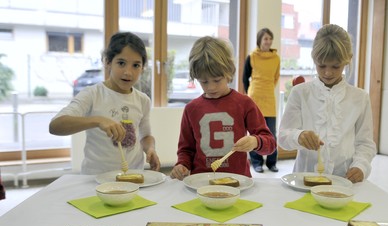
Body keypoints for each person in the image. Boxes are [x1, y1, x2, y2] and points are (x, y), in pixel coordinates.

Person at [49, 32, 160, 175]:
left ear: (143, 68)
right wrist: (97, 120)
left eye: (136, 65)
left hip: (133, 177)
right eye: (121, 63)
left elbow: (145, 136)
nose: (128, 72)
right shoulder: (92, 94)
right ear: (107, 62)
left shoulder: (143, 100)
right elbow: (55, 126)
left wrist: (150, 149)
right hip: (95, 179)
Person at [278, 24, 376, 183]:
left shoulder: (360, 98)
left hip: (343, 180)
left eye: (335, 66)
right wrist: (299, 136)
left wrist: (361, 166)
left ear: (348, 59)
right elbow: (283, 136)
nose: (328, 72)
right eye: (321, 65)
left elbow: (365, 143)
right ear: (313, 58)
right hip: (304, 180)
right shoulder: (300, 93)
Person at [170, 36, 276, 180]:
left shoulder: (244, 104)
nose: (211, 87)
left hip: (238, 181)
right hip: (201, 182)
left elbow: (270, 143)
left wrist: (255, 141)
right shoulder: (191, 109)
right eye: (204, 81)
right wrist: (182, 165)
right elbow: (186, 149)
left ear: (229, 72)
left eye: (217, 80)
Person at [242, 28, 281, 173]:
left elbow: (276, 77)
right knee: (255, 132)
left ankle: (272, 163)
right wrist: (249, 93)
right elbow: (244, 77)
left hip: (269, 96)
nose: (268, 41)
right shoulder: (252, 56)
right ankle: (256, 162)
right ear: (259, 40)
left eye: (270, 39)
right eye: (265, 39)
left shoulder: (276, 58)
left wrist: (268, 88)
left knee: (271, 132)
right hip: (255, 96)